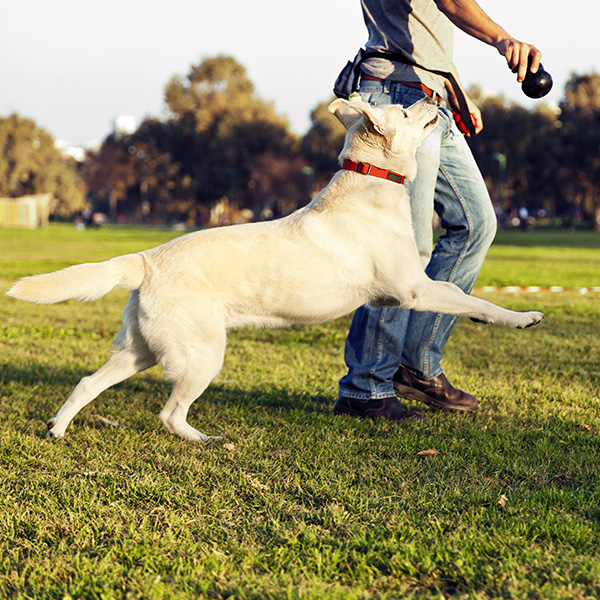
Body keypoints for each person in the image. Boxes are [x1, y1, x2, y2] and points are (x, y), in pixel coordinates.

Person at [334, 0, 543, 421]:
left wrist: (452, 89)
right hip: (397, 98)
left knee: (475, 224)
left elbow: (423, 30)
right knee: (404, 252)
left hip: (430, 100)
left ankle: (415, 366)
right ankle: (367, 386)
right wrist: (503, 40)